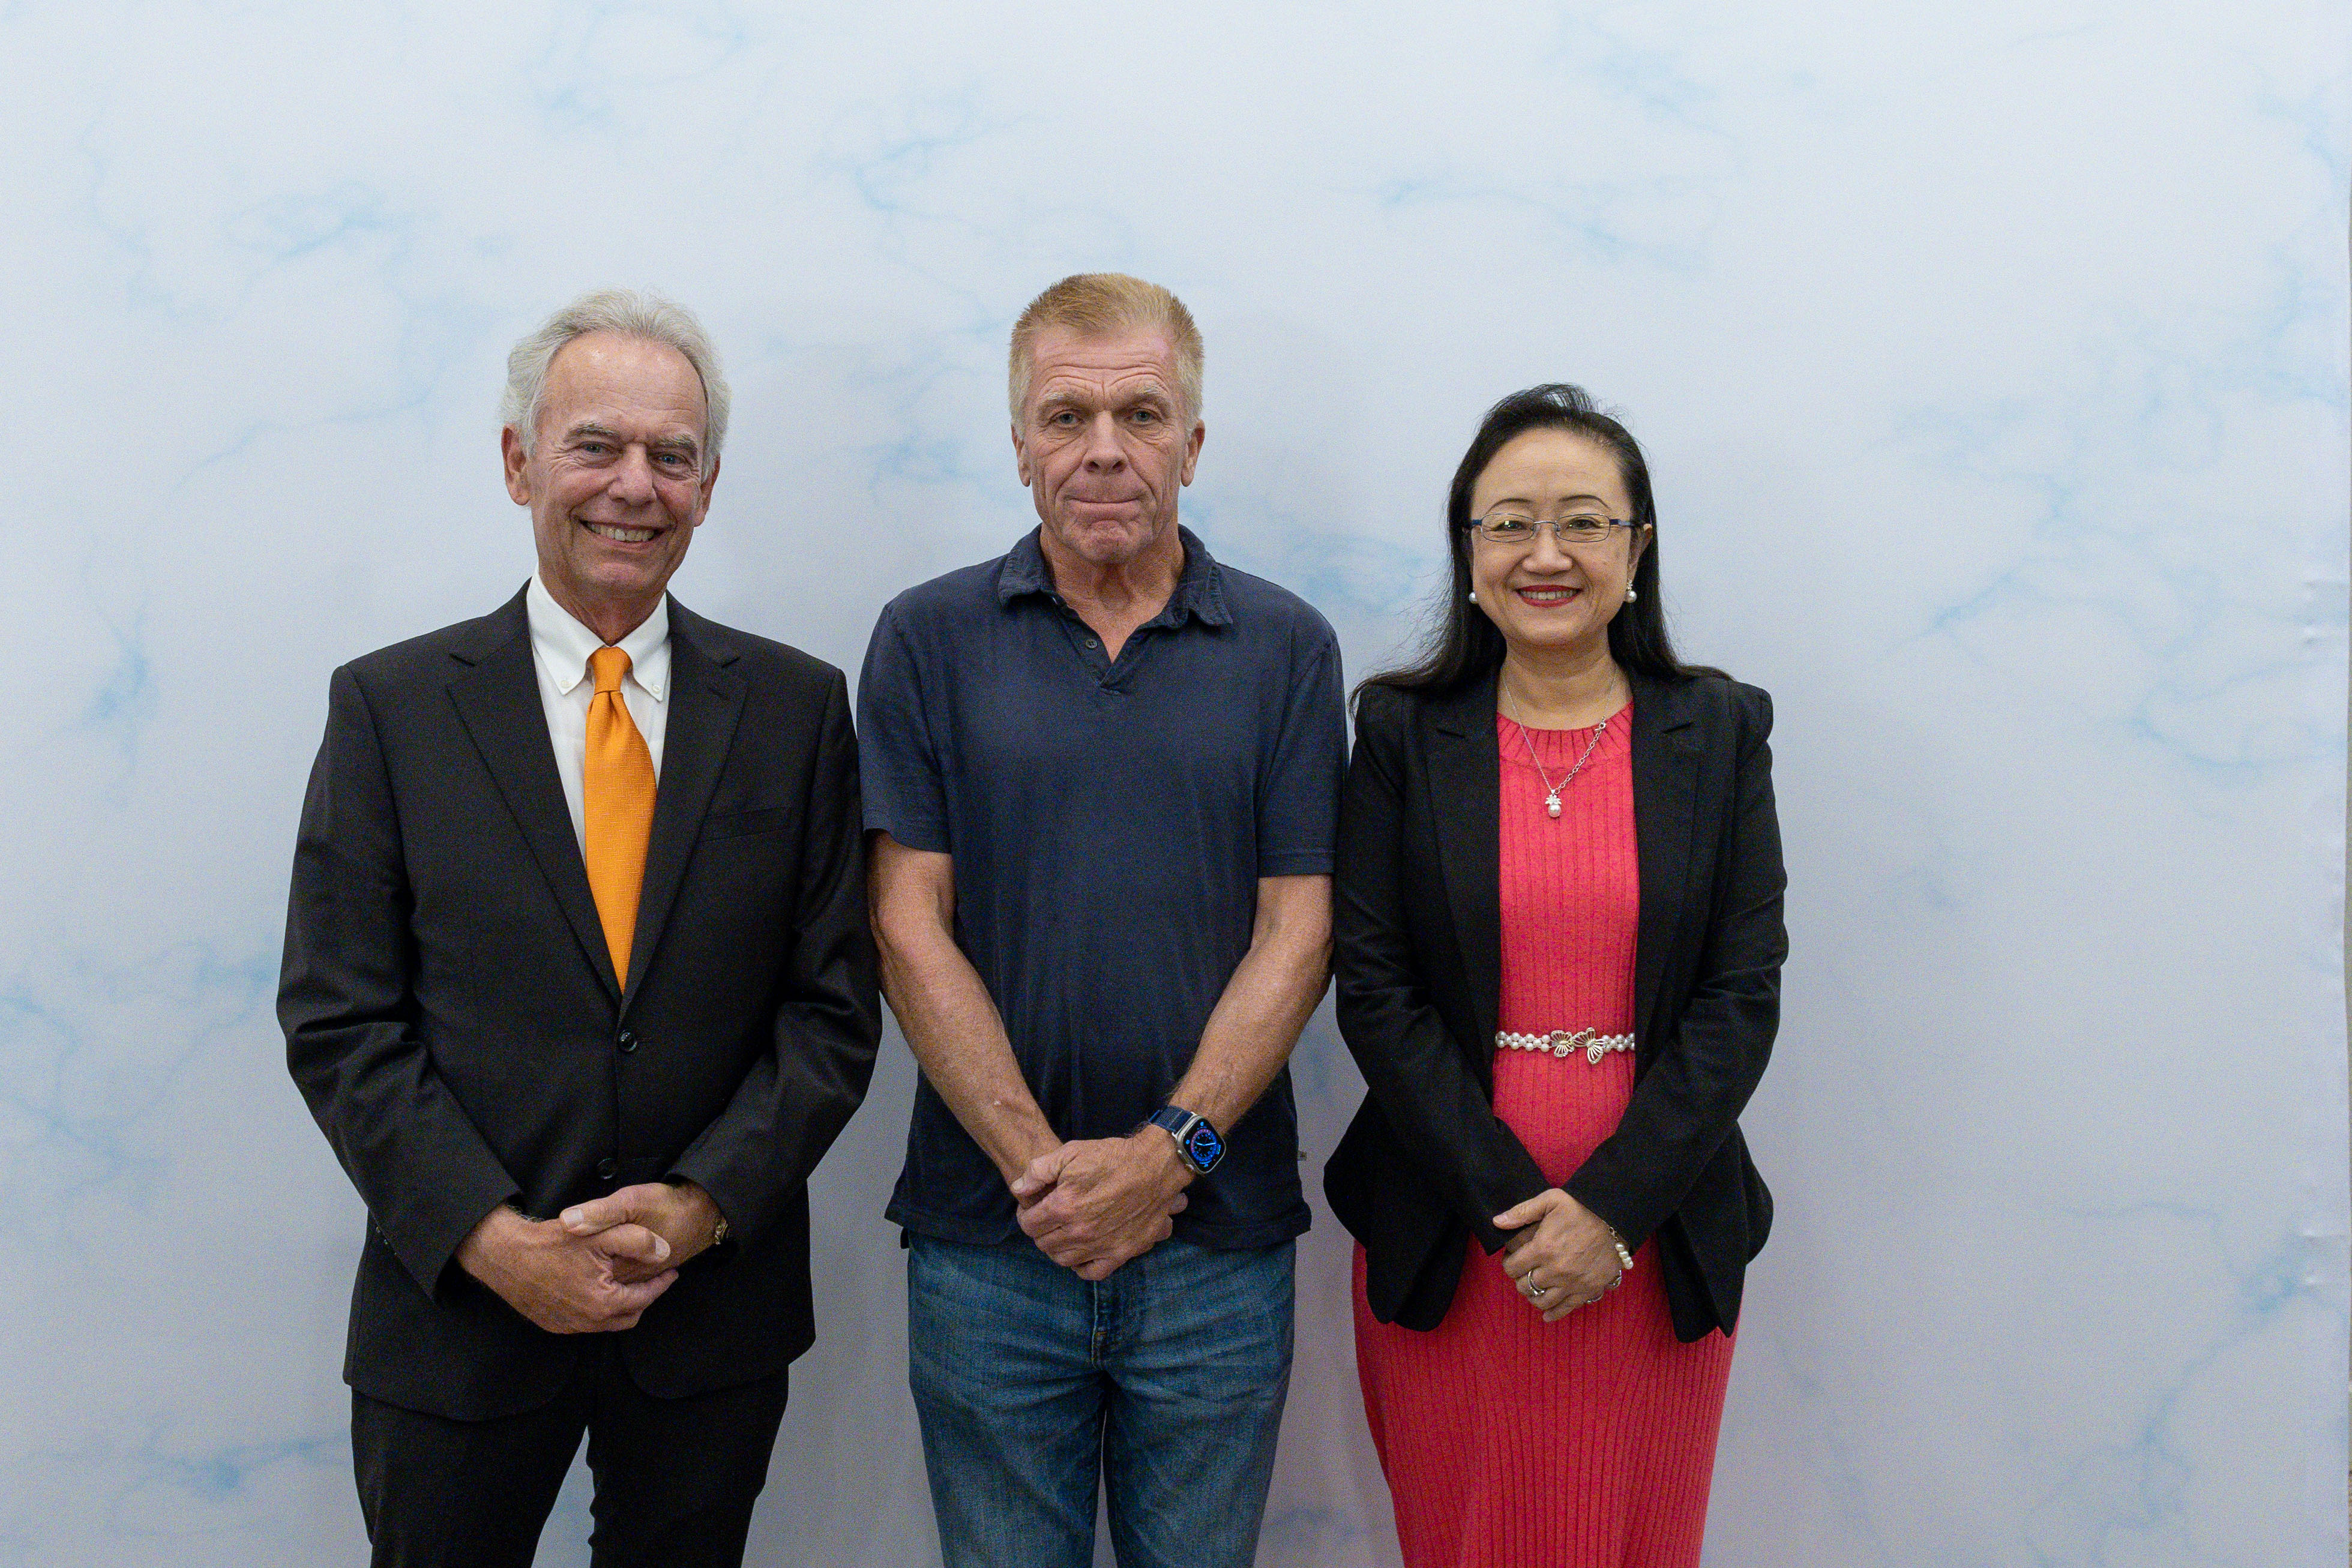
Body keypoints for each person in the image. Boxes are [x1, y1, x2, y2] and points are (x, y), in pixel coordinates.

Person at [280, 289, 880, 1568]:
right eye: (595, 445)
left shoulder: (797, 709)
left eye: (672, 455)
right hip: (457, 1314)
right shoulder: (391, 707)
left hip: (707, 1316)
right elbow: (339, 1019)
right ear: (519, 463)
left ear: (707, 488)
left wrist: (701, 1206)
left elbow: (832, 1012)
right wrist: (492, 1239)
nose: (634, 486)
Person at [859, 273, 1345, 1568]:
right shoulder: (925, 638)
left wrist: (1166, 1155)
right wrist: (1050, 1177)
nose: (1105, 449)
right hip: (989, 1240)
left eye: (1142, 413)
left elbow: (1300, 929)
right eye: (1066, 415)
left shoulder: (1286, 647)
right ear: (1019, 443)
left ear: (1194, 440)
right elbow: (906, 924)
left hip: (1216, 1245)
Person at [1324, 384, 1785, 1567]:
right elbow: (1373, 987)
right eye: (1509, 523)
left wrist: (1611, 1216)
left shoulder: (1718, 729)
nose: (1545, 553)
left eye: (1583, 521)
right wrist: (1520, 1220)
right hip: (1452, 1227)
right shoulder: (1400, 734)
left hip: (1657, 1233)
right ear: (1468, 550)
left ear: (1637, 547)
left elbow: (1742, 992)